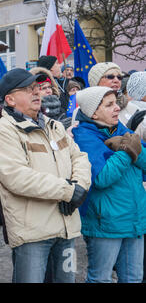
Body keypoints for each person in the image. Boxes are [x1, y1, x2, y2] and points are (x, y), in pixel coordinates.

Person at [0, 68, 92, 283]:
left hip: (66, 226)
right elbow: (17, 178)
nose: (36, 93)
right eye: (27, 89)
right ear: (10, 99)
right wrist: (69, 191)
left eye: (36, 88)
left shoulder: (54, 126)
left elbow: (79, 157)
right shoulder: (4, 132)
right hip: (33, 233)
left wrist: (80, 187)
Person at [72, 86, 146, 283]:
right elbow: (102, 178)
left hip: (134, 219)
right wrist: (127, 151)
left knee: (134, 278)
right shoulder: (84, 136)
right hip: (106, 221)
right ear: (93, 111)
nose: (116, 108)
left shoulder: (121, 129)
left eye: (115, 103)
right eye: (109, 105)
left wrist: (129, 147)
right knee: (101, 279)